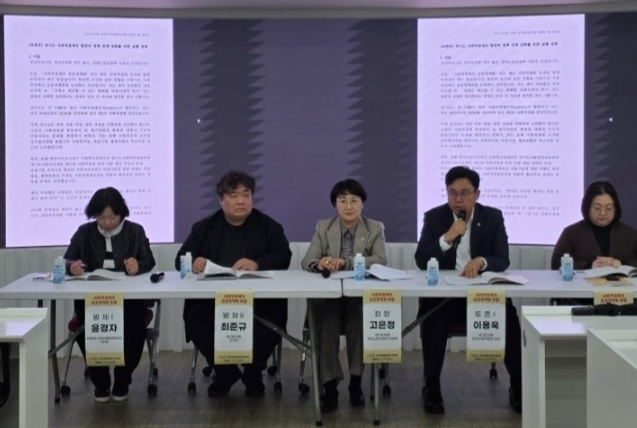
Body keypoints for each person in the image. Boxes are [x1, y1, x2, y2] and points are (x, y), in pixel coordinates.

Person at [414, 166, 522, 414]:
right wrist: (446, 238)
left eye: (464, 193)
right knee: (433, 317)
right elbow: (421, 260)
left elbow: (502, 258)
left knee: (508, 317)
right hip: (446, 297)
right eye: (452, 193)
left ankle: (517, 384)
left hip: (482, 295)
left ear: (477, 194)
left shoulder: (493, 217)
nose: (458, 199)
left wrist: (481, 261)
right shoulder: (435, 217)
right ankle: (432, 386)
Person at [175, 170, 292, 398]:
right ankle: (224, 371)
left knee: (271, 321)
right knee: (196, 319)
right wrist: (193, 262)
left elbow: (283, 256)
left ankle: (253, 372)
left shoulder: (269, 226)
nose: (240, 201)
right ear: (221, 200)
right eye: (233, 195)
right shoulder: (204, 227)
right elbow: (181, 258)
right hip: (212, 301)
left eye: (246, 195)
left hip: (259, 300)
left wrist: (257, 263)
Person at [301, 179, 388, 413]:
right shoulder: (323, 227)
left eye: (354, 201)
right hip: (330, 297)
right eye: (342, 201)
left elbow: (381, 260)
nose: (348, 206)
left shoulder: (374, 228)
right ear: (335, 205)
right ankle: (330, 387)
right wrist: (320, 263)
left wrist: (346, 262)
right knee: (327, 323)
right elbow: (307, 260)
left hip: (359, 296)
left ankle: (356, 383)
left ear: (362, 204)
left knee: (358, 321)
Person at [64, 187, 156, 402]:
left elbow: (148, 260)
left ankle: (123, 379)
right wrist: (71, 268)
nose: (106, 223)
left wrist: (137, 266)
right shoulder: (84, 232)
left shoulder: (135, 231)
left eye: (112, 217)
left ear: (121, 213)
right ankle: (100, 380)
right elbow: (68, 259)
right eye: (101, 217)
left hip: (129, 302)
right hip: (92, 302)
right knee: (86, 329)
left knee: (134, 329)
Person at [551, 181, 637, 271]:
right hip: (583, 280)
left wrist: (622, 264)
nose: (603, 213)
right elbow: (556, 263)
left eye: (608, 208)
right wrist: (589, 266)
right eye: (597, 208)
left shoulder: (630, 233)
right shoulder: (571, 232)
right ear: (587, 207)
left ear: (615, 208)